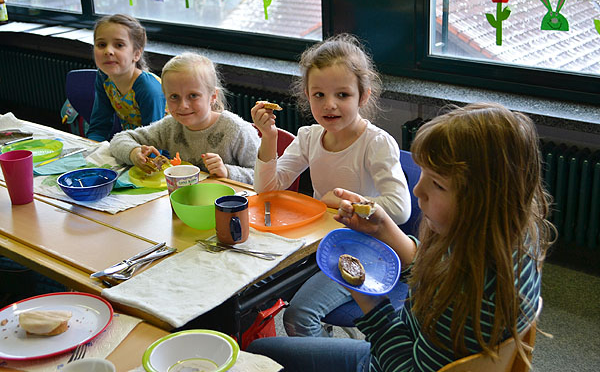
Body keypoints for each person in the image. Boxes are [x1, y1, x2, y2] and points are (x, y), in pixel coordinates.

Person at [248, 103, 555, 371]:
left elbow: (403, 368)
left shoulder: (467, 288)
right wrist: (385, 228)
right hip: (407, 344)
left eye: (437, 184)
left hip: (389, 361)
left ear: (485, 198)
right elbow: (432, 269)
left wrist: (369, 301)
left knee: (259, 353)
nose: (418, 190)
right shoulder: (509, 241)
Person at [251, 33, 411, 337]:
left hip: (365, 249)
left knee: (298, 318)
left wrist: (342, 202)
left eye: (343, 95)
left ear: (363, 96)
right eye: (319, 95)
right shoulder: (309, 136)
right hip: (317, 242)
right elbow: (267, 190)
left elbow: (400, 209)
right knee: (250, 290)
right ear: (307, 96)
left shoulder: (376, 143)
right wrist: (269, 138)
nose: (330, 105)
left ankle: (338, 356)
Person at [110, 52, 260, 184]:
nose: (183, 105)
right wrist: (134, 153)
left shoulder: (236, 130)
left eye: (193, 95)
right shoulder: (170, 126)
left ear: (212, 96)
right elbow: (118, 139)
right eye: (174, 97)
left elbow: (264, 176)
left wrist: (227, 171)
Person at [87, 14, 166, 142]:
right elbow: (99, 127)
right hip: (134, 145)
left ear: (136, 54)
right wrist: (91, 147)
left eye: (119, 45)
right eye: (101, 44)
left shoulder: (148, 88)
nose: (108, 51)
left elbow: (155, 142)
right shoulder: (103, 77)